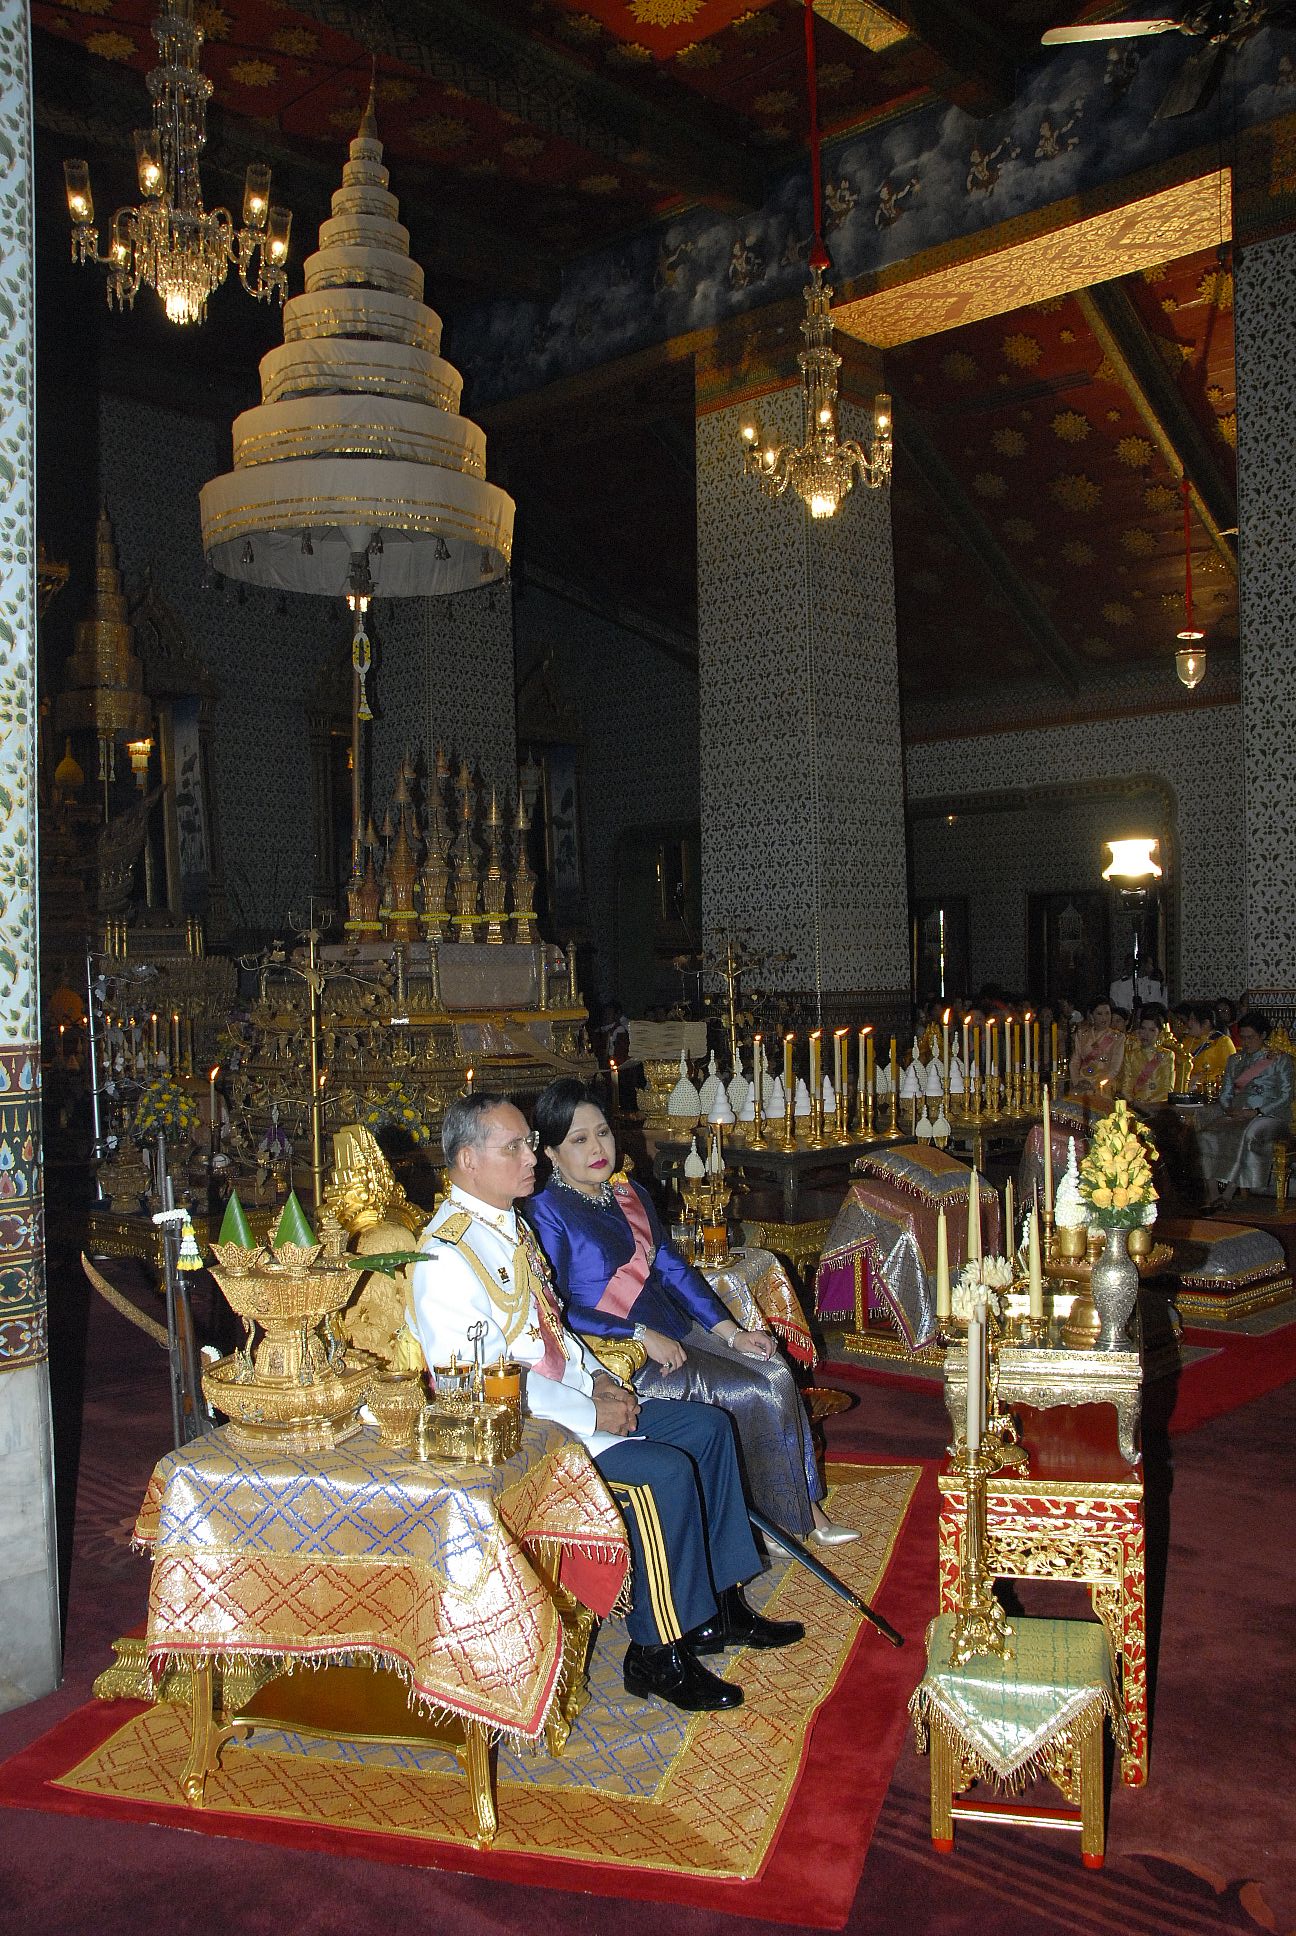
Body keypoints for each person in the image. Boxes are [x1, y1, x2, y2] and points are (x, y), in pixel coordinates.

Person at [406, 1093, 806, 1715]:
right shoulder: (447, 1254)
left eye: (529, 1143)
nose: (531, 1157)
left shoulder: (506, 1223)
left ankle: (717, 1607)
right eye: (514, 1147)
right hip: (524, 1433)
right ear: (467, 1161)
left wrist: (598, 1380)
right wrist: (591, 1413)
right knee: (663, 1473)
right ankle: (656, 1650)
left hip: (570, 1401)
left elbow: (553, 1330)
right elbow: (481, 1382)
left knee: (707, 1429)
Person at [526, 1079, 856, 1548]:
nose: (597, 1148)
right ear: (552, 1153)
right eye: (579, 1140)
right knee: (751, 1392)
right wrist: (639, 1334)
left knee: (774, 1371)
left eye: (603, 1133)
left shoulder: (628, 1193)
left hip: (677, 1330)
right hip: (619, 1354)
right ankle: (777, 1522)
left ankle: (800, 1507)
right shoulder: (546, 1212)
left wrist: (730, 1332)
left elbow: (673, 1269)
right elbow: (557, 1310)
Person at [1194, 1011, 1294, 1211]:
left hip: (1270, 1116)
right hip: (1238, 1114)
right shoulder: (1235, 1060)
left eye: (1251, 1038)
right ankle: (1213, 1194)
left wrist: (1256, 1111)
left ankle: (1228, 1194)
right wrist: (1230, 1109)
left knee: (1246, 1133)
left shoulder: (1278, 1060)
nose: (1246, 1042)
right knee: (1205, 1135)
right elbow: (1226, 1093)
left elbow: (1286, 1096)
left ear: (1263, 1035)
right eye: (1243, 1038)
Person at [1119, 1005, 1174, 1108]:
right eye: (1143, 1029)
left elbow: (1167, 1088)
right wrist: (1133, 1102)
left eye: (1152, 1030)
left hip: (1157, 1107)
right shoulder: (1131, 1055)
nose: (1146, 1034)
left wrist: (1149, 1105)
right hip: (1135, 1106)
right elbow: (1126, 1086)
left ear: (1159, 1033)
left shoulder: (1166, 1055)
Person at [1069, 998, 1126, 1095]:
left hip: (1104, 1085)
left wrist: (1095, 1084)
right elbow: (1075, 1061)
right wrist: (1077, 1081)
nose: (1104, 1018)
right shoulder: (1082, 1035)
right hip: (1082, 1083)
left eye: (1107, 1013)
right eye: (1099, 1014)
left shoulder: (1118, 1037)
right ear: (1091, 1016)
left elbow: (1114, 1068)